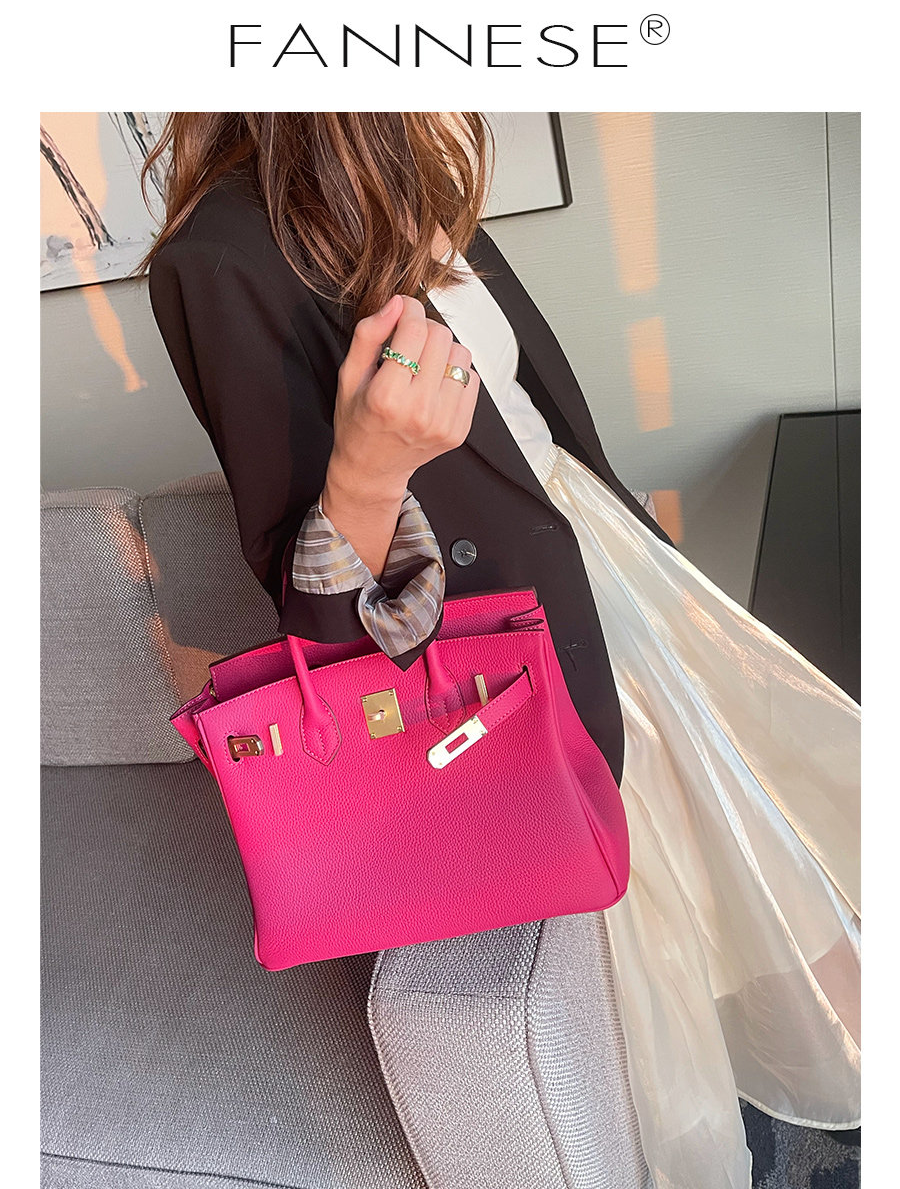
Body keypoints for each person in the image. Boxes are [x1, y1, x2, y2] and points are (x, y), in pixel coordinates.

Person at [141, 112, 860, 1189]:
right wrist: (370, 469)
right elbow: (319, 620)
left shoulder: (415, 186)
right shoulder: (223, 254)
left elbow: (534, 426)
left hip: (608, 576)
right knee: (657, 944)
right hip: (506, 651)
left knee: (764, 860)